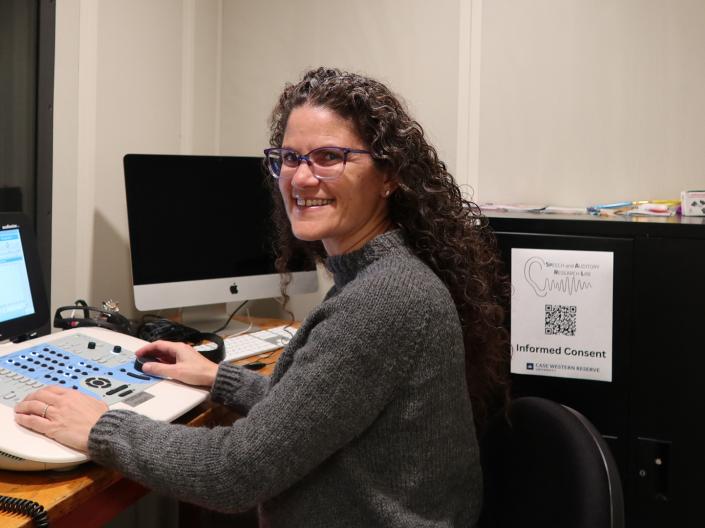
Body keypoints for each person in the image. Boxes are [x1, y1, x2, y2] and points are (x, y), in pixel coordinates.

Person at [14, 67, 510, 527]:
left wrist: (101, 426)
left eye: (329, 157)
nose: (301, 177)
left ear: (389, 175)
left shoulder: (383, 300)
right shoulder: (384, 276)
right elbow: (315, 412)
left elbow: (232, 474)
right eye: (289, 158)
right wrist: (218, 378)